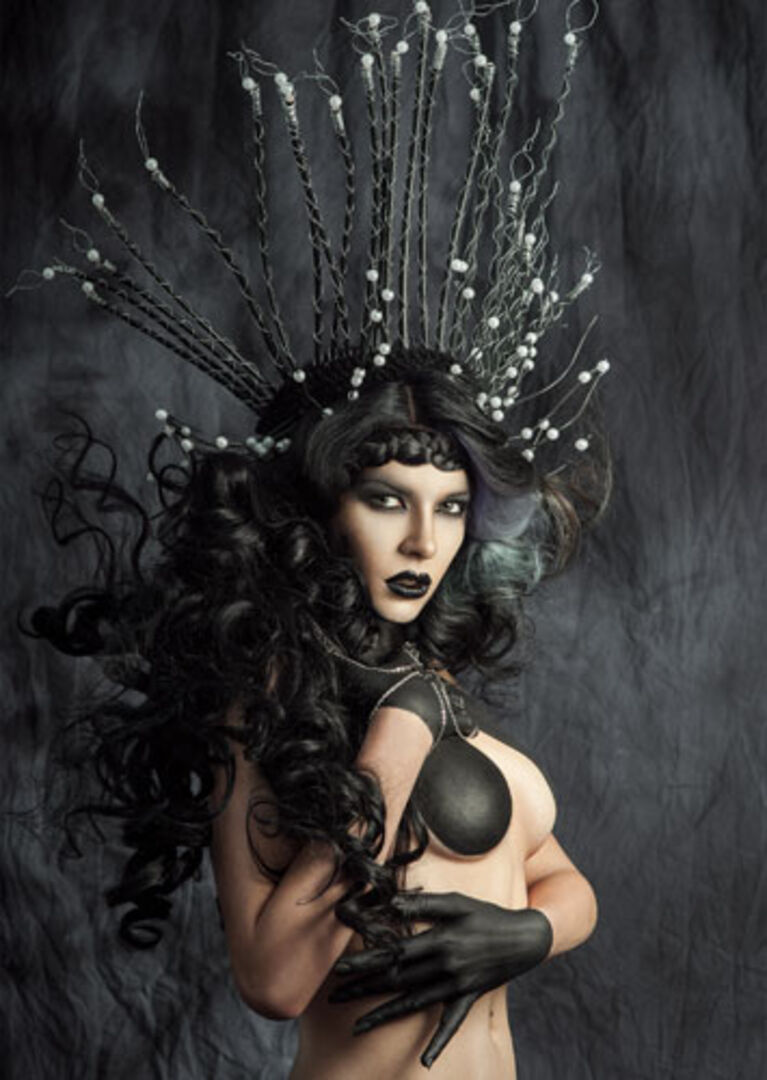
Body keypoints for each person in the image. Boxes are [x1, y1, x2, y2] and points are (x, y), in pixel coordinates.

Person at [24, 4, 608, 1075]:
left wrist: (524, 933)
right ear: (320, 510)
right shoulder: (274, 704)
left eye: (448, 506)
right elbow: (273, 977)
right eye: (386, 500)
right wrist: (396, 741)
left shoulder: (431, 685)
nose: (423, 538)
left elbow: (560, 879)